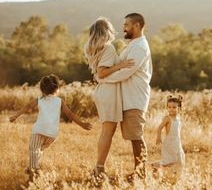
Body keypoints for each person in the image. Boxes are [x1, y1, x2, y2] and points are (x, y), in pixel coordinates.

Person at [99, 13, 152, 180]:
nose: (124, 28)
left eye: (126, 25)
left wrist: (103, 78)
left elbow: (126, 72)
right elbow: (118, 67)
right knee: (133, 136)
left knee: (136, 136)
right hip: (127, 98)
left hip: (135, 98)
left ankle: (141, 172)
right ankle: (139, 171)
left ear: (136, 25)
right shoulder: (132, 45)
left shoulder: (139, 47)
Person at [9, 74, 92, 180]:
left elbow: (27, 107)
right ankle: (32, 166)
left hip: (39, 130)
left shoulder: (39, 100)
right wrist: (82, 124)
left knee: (33, 149)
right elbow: (70, 114)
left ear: (42, 89)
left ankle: (34, 172)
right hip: (52, 134)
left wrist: (15, 116)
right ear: (56, 89)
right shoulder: (60, 101)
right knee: (39, 150)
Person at [84, 17, 134, 176]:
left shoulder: (94, 48)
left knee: (106, 132)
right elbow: (102, 72)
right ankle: (99, 168)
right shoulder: (108, 48)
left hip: (102, 91)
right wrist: (120, 65)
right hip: (108, 91)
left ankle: (99, 167)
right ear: (106, 31)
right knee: (107, 132)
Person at [152, 94, 185, 170]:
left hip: (177, 142)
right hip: (169, 142)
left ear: (179, 108)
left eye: (174, 107)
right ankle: (155, 165)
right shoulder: (168, 118)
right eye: (169, 107)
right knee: (170, 160)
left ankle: (176, 175)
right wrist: (158, 137)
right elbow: (159, 128)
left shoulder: (178, 118)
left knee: (180, 158)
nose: (171, 109)